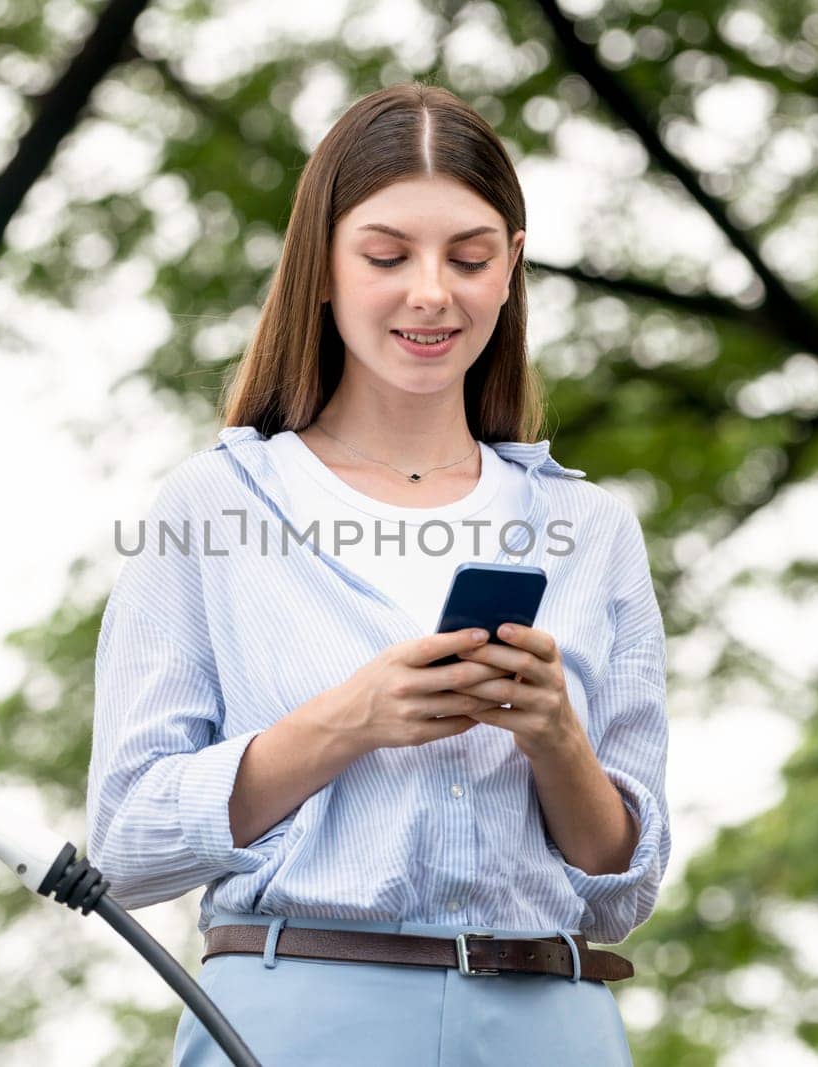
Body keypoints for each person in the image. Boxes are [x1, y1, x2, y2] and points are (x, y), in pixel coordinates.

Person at [86, 81, 669, 1066]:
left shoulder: (588, 527)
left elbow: (621, 887)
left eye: (471, 257)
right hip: (298, 1014)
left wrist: (555, 736)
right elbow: (129, 842)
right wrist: (350, 717)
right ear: (320, 265)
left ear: (511, 268)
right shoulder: (212, 507)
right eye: (388, 255)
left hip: (548, 1021)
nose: (432, 292)